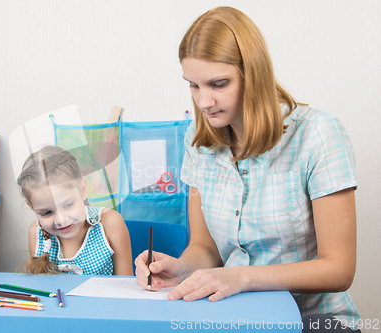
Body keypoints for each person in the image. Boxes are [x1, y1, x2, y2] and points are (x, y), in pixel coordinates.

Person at [135, 6, 361, 332]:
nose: (204, 102)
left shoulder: (318, 134)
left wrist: (240, 276)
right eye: (193, 85)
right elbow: (206, 248)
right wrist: (183, 269)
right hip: (235, 316)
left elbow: (339, 269)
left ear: (252, 74)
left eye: (218, 84)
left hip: (312, 320)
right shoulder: (198, 144)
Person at [18, 145, 133, 276]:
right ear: (32, 207)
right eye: (46, 213)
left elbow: (124, 286)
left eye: (68, 205)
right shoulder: (36, 232)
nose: (61, 220)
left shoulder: (111, 223)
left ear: (83, 190)